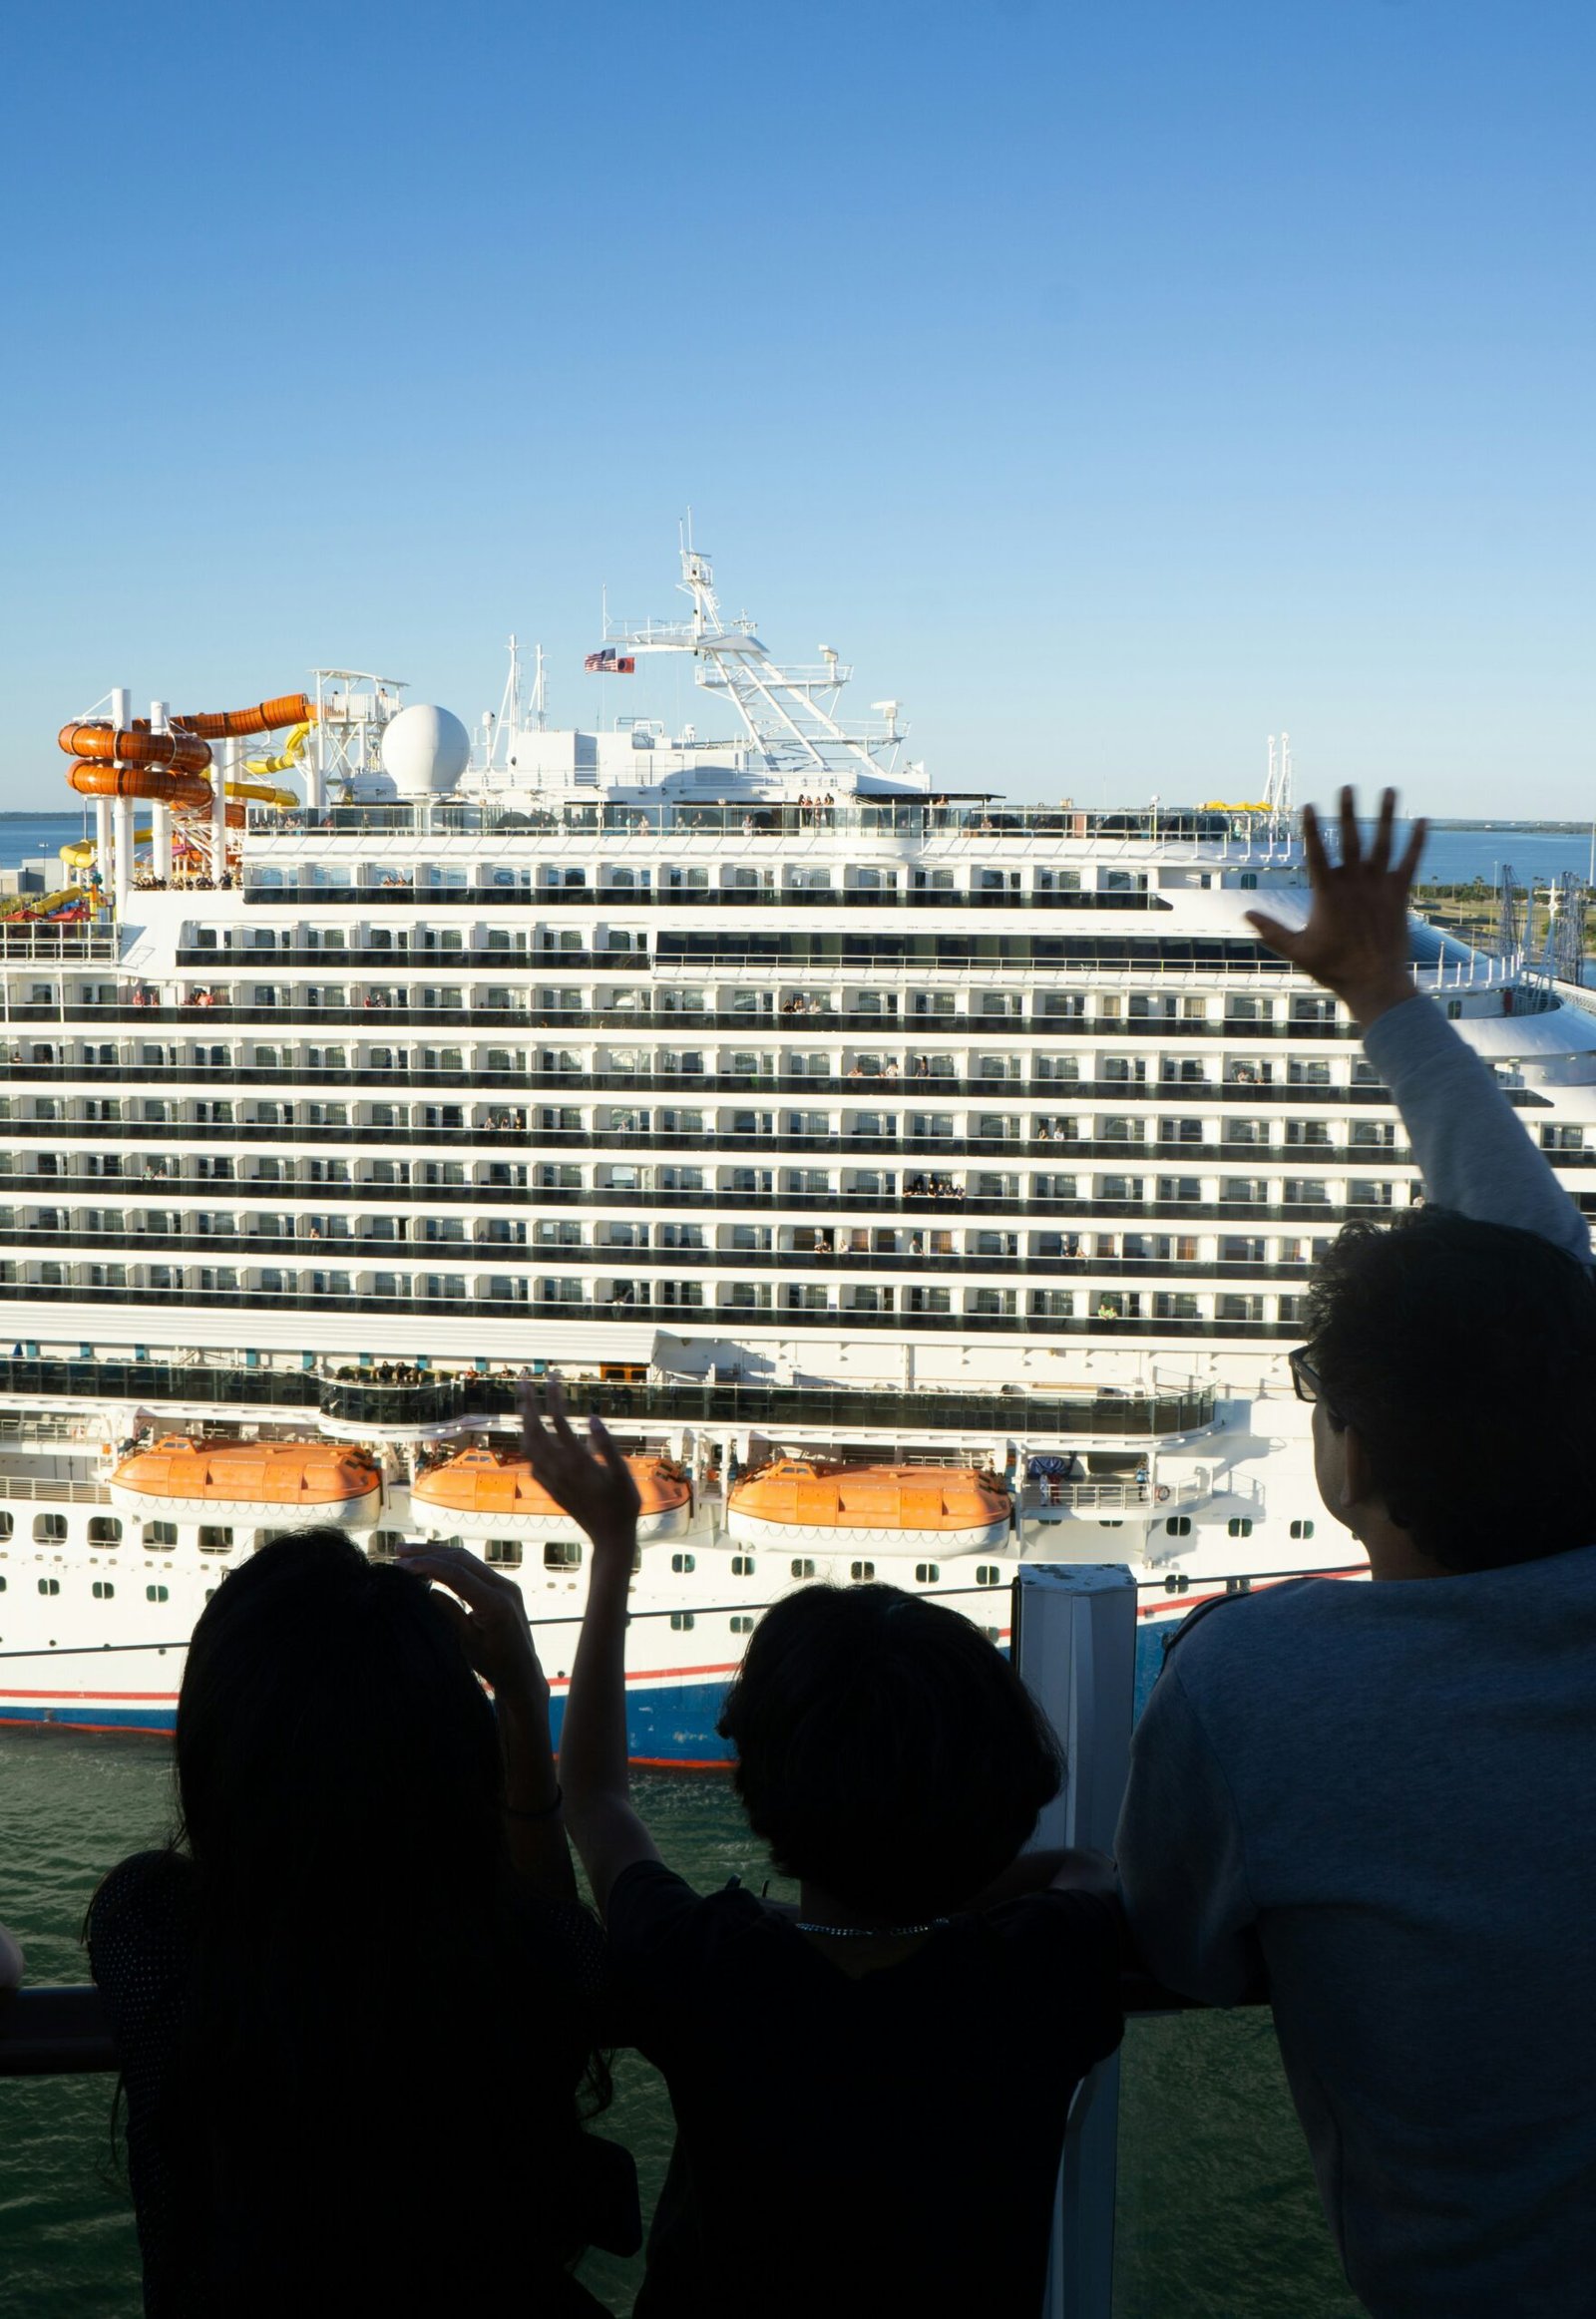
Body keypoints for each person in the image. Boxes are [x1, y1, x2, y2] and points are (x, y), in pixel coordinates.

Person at [1116, 789, 1596, 2319]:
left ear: (1351, 1459)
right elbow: (1543, 1283)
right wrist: (1387, 999)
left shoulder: (1259, 1680)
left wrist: (1376, 991)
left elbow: (1178, 1946)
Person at [524, 1384, 1123, 2318]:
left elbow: (595, 1800)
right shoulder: (1036, 1975)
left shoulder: (710, 1963)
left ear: (759, 1782)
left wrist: (613, 1553)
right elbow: (1086, 1869)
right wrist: (958, 1895)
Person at [87, 1529, 634, 2317]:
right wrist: (521, 1704)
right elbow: (548, 1930)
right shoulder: (516, 1961)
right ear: (452, 1759)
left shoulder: (152, 1927)